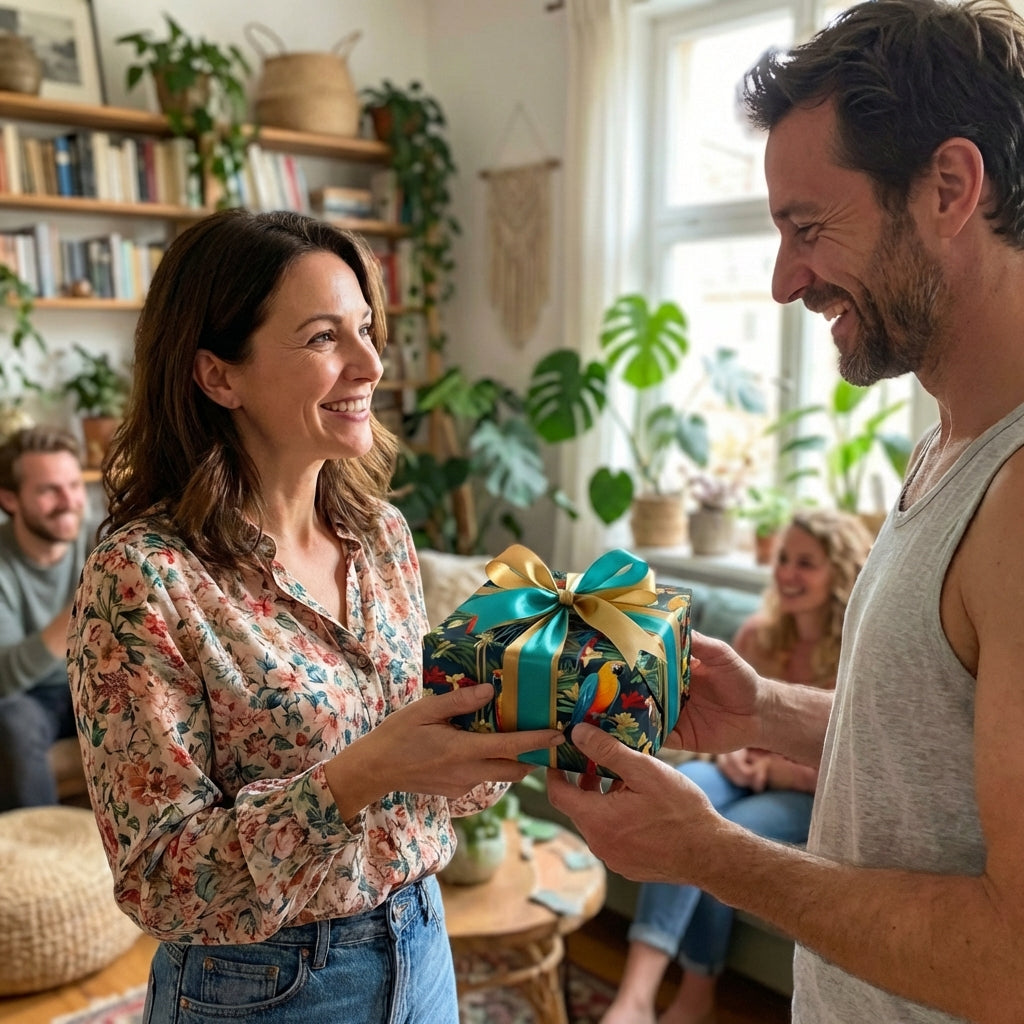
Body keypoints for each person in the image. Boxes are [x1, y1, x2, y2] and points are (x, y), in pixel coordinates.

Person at [547, 1, 1024, 1021]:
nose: (781, 279)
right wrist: (766, 707)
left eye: (807, 228)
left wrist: (708, 852)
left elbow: (1013, 958)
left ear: (949, 187)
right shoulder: (945, 442)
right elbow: (939, 742)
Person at [66, 209, 564, 1024]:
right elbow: (160, 882)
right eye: (324, 337)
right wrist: (368, 770)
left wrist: (510, 727)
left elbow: (426, 779)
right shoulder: (143, 578)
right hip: (263, 989)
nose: (369, 362)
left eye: (366, 328)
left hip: (423, 946)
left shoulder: (382, 536)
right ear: (218, 375)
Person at [602, 509, 871, 1024]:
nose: (788, 573)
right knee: (678, 792)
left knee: (720, 834)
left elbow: (855, 757)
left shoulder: (855, 652)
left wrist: (775, 773)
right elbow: (729, 722)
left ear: (839, 571)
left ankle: (697, 989)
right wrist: (729, 755)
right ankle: (635, 997)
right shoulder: (757, 634)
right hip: (741, 773)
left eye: (806, 564)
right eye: (785, 560)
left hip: (806, 794)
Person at [0, 426, 90, 810]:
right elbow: (3, 679)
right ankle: (37, 858)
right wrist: (81, 602)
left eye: (74, 484)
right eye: (49, 490)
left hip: (91, 682)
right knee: (12, 721)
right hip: (27, 697)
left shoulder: (101, 540)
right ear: (10, 498)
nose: (68, 501)